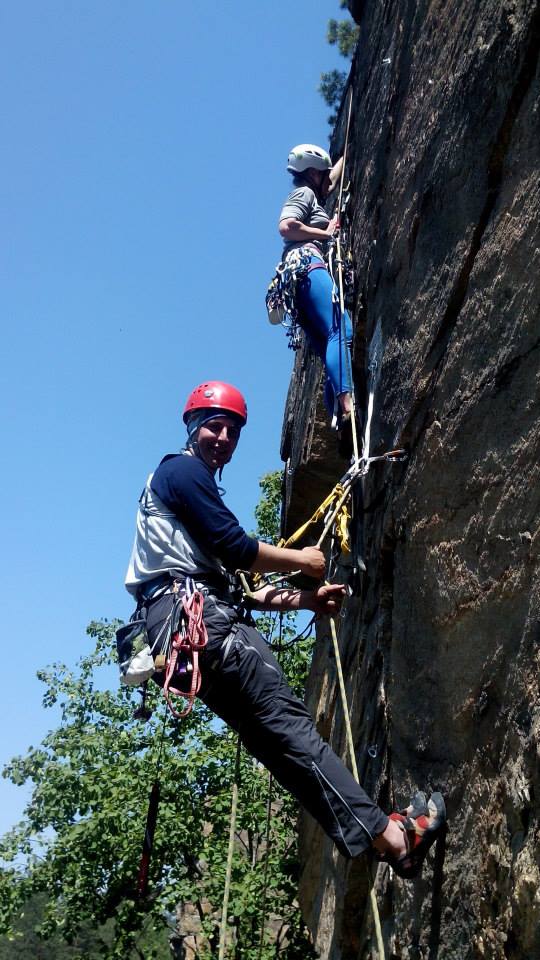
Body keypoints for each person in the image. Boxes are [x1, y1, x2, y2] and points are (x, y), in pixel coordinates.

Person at [124, 380, 446, 878]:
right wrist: (303, 560)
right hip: (201, 624)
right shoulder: (181, 472)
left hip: (187, 635)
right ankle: (394, 836)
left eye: (233, 431)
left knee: (276, 743)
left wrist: (306, 600)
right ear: (192, 426)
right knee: (288, 728)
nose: (224, 438)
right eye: (215, 425)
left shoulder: (180, 521)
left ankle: (383, 841)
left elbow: (238, 589)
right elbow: (235, 547)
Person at [278, 144, 356, 450]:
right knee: (342, 328)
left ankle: (339, 416)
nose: (329, 181)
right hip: (306, 265)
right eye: (323, 175)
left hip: (297, 284)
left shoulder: (316, 194)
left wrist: (344, 157)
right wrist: (328, 233)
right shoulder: (304, 195)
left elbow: (333, 178)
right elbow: (286, 226)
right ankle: (347, 406)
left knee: (328, 346)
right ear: (312, 173)